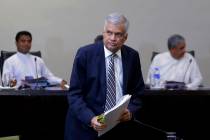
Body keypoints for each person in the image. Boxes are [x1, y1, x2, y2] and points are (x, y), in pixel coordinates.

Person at [65, 13, 145, 140]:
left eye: (118, 34)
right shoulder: (85, 54)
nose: (113, 38)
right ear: (103, 33)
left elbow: (138, 93)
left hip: (119, 127)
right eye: (109, 32)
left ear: (125, 37)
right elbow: (75, 94)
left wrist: (130, 112)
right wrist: (90, 118)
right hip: (86, 129)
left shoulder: (132, 56)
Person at [2, 31, 67, 89]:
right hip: (19, 97)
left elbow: (48, 77)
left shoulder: (38, 60)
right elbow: (6, 82)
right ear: (16, 43)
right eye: (23, 41)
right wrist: (16, 83)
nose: (26, 44)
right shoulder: (9, 62)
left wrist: (60, 81)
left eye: (29, 41)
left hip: (38, 95)